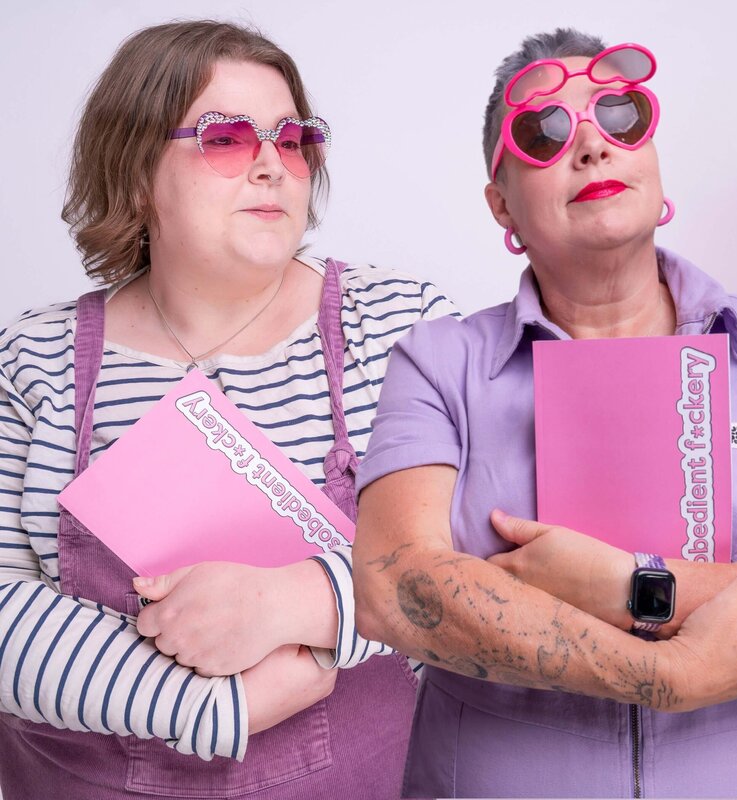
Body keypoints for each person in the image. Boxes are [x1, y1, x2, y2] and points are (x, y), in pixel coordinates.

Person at [0, 20, 456, 800]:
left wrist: (302, 602)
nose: (273, 164)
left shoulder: (399, 325)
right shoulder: (32, 360)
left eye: (293, 139)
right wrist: (217, 707)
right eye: (226, 138)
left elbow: (478, 553)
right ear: (134, 171)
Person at [351, 29, 737, 798]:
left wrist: (634, 585)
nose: (592, 145)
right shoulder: (438, 364)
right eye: (543, 133)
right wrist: (673, 675)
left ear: (654, 163)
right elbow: (396, 588)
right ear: (502, 205)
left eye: (620, 116)